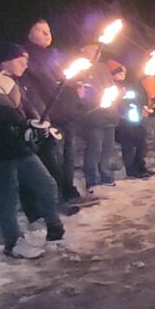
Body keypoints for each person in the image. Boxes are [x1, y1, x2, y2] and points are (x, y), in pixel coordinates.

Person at [0, 42, 65, 258]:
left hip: (19, 147)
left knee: (46, 184)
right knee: (6, 198)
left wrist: (33, 125)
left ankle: (55, 229)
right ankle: (12, 242)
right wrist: (18, 129)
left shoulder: (5, 81)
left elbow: (23, 111)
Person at [19, 18, 90, 207]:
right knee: (55, 158)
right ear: (29, 34)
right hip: (50, 114)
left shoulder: (52, 56)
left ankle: (69, 192)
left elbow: (60, 82)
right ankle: (59, 198)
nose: (47, 34)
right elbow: (41, 89)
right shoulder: (28, 59)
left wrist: (74, 88)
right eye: (40, 30)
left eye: (48, 30)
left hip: (66, 113)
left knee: (68, 156)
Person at [79, 57, 122, 191]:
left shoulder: (103, 66)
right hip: (94, 117)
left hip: (109, 115)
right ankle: (92, 180)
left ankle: (106, 175)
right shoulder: (81, 67)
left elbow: (111, 88)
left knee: (107, 149)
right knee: (94, 149)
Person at [114, 64, 154, 179]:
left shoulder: (128, 86)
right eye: (119, 73)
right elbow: (115, 104)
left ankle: (140, 166)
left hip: (134, 119)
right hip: (122, 122)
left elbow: (135, 100)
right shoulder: (112, 87)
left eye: (123, 73)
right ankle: (131, 170)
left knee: (141, 143)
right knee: (128, 146)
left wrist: (142, 108)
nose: (122, 75)